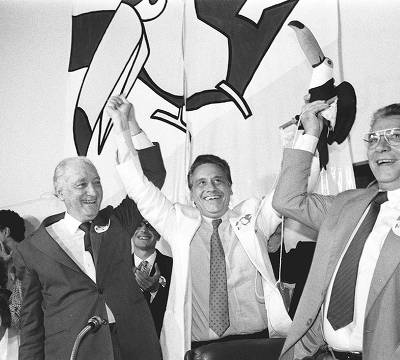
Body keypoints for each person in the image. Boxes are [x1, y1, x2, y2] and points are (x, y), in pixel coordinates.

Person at [273, 100, 400, 360]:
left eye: (396, 136)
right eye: (372, 138)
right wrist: (310, 133)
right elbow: (287, 201)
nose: (380, 146)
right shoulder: (346, 205)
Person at [112, 98, 292, 359]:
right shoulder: (177, 221)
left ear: (231, 188)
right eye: (201, 183)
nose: (211, 188)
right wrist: (124, 127)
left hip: (258, 345)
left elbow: (290, 190)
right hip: (199, 349)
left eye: (218, 180)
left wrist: (302, 138)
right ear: (192, 195)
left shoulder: (253, 215)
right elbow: (138, 186)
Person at [13, 96, 165, 360]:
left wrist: (130, 124)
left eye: (96, 182)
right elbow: (32, 324)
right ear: (59, 192)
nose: (93, 192)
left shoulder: (116, 223)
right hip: (76, 352)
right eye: (81, 184)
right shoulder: (32, 249)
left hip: (134, 347)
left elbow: (152, 176)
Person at [132, 218, 172, 338]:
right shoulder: (117, 268)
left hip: (162, 342)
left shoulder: (174, 266)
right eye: (138, 225)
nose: (144, 229)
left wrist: (155, 290)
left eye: (150, 226)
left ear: (159, 234)